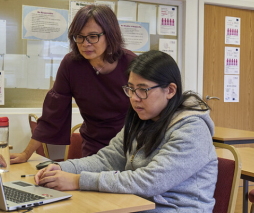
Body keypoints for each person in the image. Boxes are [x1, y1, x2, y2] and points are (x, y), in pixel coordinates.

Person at [35, 50, 218, 212]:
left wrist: (77, 181)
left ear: (170, 90)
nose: (134, 98)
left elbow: (149, 181)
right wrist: (60, 168)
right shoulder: (142, 119)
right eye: (130, 89)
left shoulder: (192, 129)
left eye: (143, 90)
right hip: (134, 204)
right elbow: (107, 159)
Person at [10, 4, 137, 164]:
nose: (85, 43)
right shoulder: (71, 64)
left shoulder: (132, 64)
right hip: (93, 146)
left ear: (110, 35)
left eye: (93, 36)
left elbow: (150, 111)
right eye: (80, 36)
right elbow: (53, 113)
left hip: (130, 145)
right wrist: (25, 154)